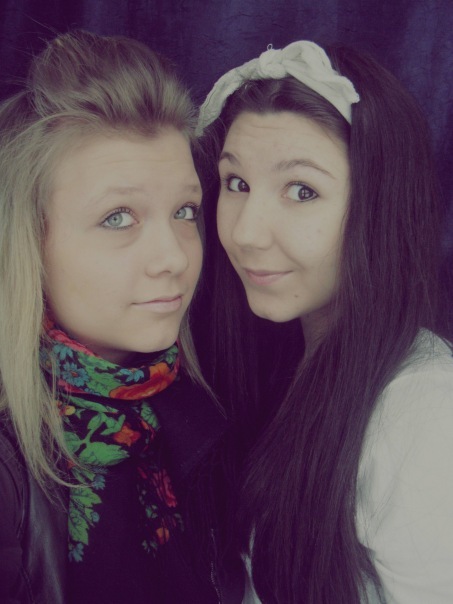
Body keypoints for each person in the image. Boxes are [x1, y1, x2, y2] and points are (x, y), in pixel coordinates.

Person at [195, 41, 453, 603]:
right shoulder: (276, 355)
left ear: (378, 210)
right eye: (237, 183)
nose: (245, 232)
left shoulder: (426, 415)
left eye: (302, 190)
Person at [0, 30, 223, 604]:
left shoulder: (201, 406)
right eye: (118, 217)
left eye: (184, 211)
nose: (174, 258)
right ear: (29, 243)